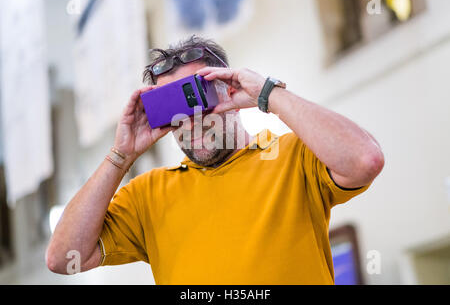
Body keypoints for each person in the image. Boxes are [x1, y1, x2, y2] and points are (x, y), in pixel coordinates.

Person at [46, 36, 384, 284]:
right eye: (172, 109)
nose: (188, 121)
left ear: (226, 90)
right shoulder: (146, 196)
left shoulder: (293, 157)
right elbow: (63, 258)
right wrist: (121, 155)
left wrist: (267, 93)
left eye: (195, 99)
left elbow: (365, 160)